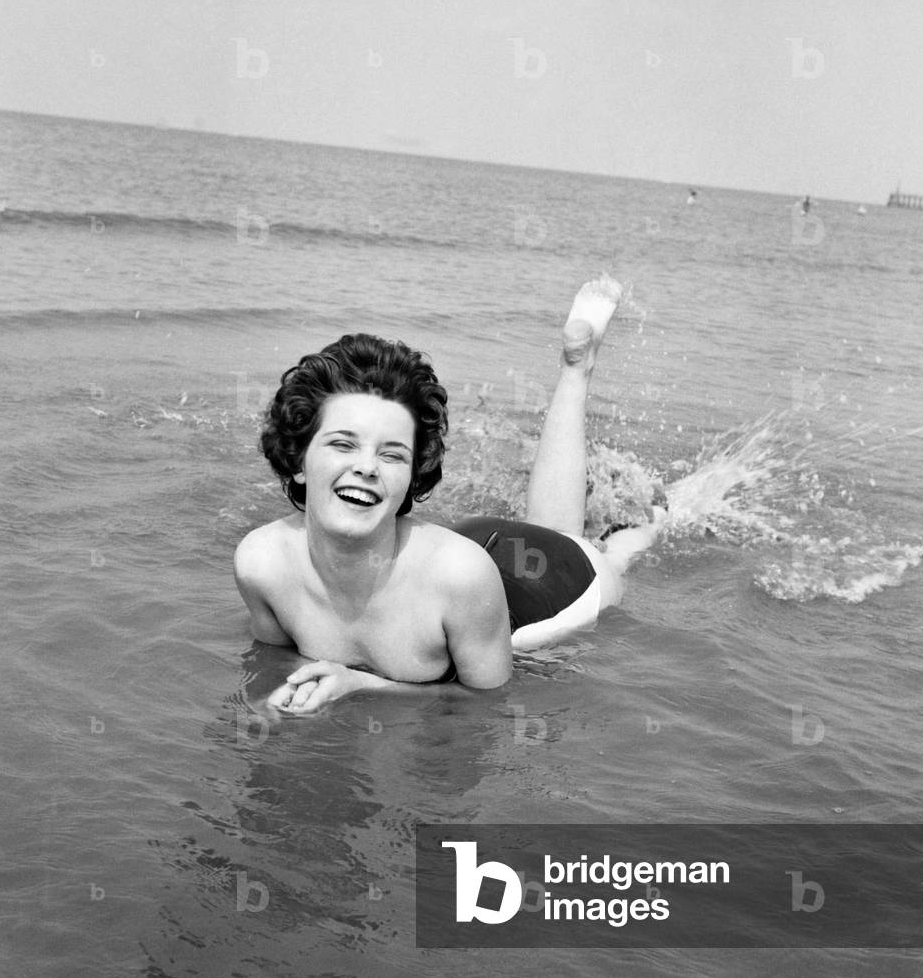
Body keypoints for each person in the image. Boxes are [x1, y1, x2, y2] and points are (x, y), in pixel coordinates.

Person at [234, 275, 664, 714]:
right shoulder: (262, 564)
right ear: (298, 460)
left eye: (393, 454)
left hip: (548, 581)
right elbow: (275, 661)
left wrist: (361, 685)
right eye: (343, 444)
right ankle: (574, 368)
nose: (366, 467)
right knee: (549, 521)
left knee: (603, 548)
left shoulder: (462, 578)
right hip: (468, 546)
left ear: (411, 476)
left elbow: (490, 699)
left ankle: (654, 510)